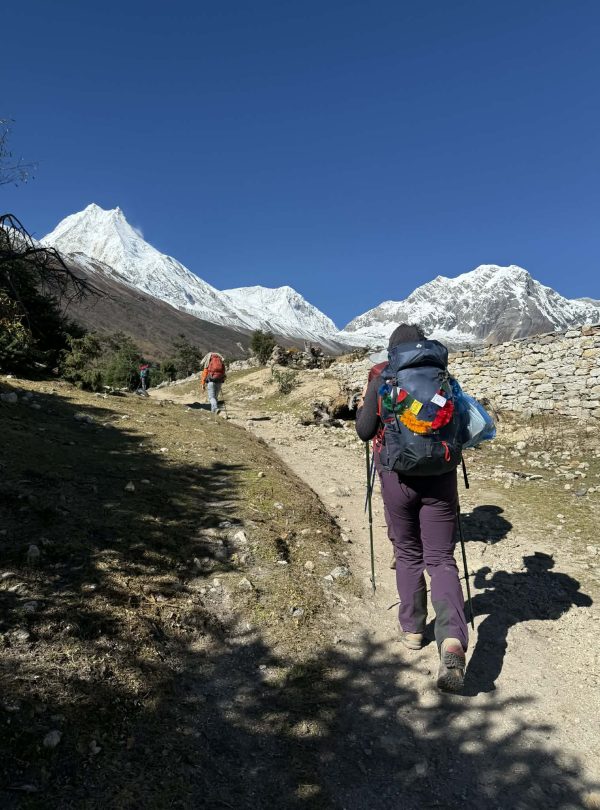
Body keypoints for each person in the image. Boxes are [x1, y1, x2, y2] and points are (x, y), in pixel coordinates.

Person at [355, 323, 468, 693]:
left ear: (393, 350)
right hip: (440, 476)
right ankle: (451, 638)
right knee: (441, 558)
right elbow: (464, 425)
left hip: (397, 478)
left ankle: (414, 630)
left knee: (407, 553)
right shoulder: (442, 375)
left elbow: (364, 429)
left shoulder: (383, 375)